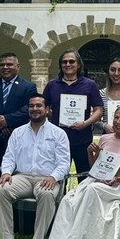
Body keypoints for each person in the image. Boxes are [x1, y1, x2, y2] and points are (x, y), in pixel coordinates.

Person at [46, 104, 120, 239]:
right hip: (97, 180)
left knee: (93, 191)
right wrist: (91, 153)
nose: (118, 122)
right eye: (116, 118)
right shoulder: (105, 138)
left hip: (118, 186)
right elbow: (95, 168)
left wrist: (118, 178)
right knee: (67, 200)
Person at [0, 93, 71, 239]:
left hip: (47, 178)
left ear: (47, 109)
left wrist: (54, 177)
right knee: (1, 191)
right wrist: (6, 172)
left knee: (47, 194)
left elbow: (64, 162)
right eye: (31, 106)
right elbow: (9, 157)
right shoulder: (18, 132)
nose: (35, 109)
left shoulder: (58, 134)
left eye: (39, 106)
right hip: (22, 177)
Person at [43, 48, 104, 176]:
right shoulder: (52, 85)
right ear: (60, 65)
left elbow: (99, 110)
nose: (68, 64)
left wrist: (85, 123)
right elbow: (44, 106)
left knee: (84, 176)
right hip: (57, 140)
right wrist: (55, 116)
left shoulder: (89, 84)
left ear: (78, 65)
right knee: (58, 177)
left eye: (72, 61)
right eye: (64, 62)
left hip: (82, 139)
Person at [0, 52, 37, 179]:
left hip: (15, 136)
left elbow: (29, 107)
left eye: (9, 64)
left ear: (18, 66)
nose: (5, 67)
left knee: (14, 175)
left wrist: (8, 120)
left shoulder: (28, 87)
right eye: (2, 65)